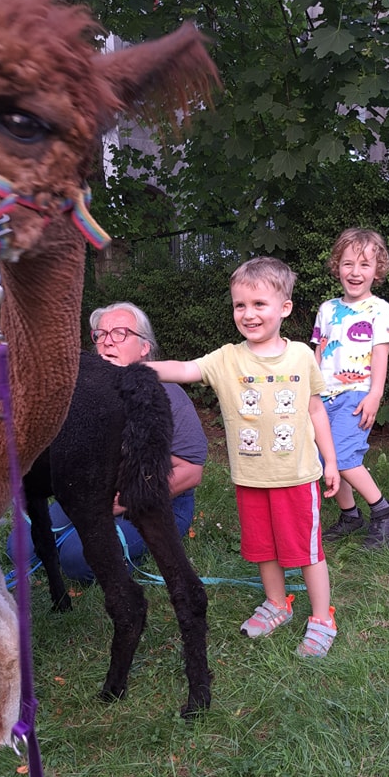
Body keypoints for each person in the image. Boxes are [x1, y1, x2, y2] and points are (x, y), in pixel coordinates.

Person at [147, 256, 341, 658]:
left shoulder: (302, 356)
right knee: (263, 548)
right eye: (240, 305)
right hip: (250, 478)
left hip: (296, 477)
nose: (248, 314)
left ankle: (323, 617)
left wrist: (332, 462)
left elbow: (316, 409)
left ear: (284, 308)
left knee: (306, 552)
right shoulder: (226, 358)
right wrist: (136, 368)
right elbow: (184, 369)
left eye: (259, 304)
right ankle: (277, 603)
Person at [10, 302, 208, 580]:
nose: (107, 342)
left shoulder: (170, 395)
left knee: (76, 559)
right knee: (19, 548)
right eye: (100, 334)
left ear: (144, 347)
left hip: (159, 501)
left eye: (120, 333)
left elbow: (191, 472)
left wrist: (125, 500)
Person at [311, 227, 389, 549]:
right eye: (348, 263)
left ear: (377, 270)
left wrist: (374, 394)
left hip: (356, 394)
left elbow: (380, 354)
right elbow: (319, 352)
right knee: (326, 457)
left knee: (342, 455)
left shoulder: (379, 309)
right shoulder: (326, 309)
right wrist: (309, 392)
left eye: (364, 265)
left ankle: (384, 511)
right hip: (322, 395)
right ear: (337, 266)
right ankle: (350, 515)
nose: (355, 272)